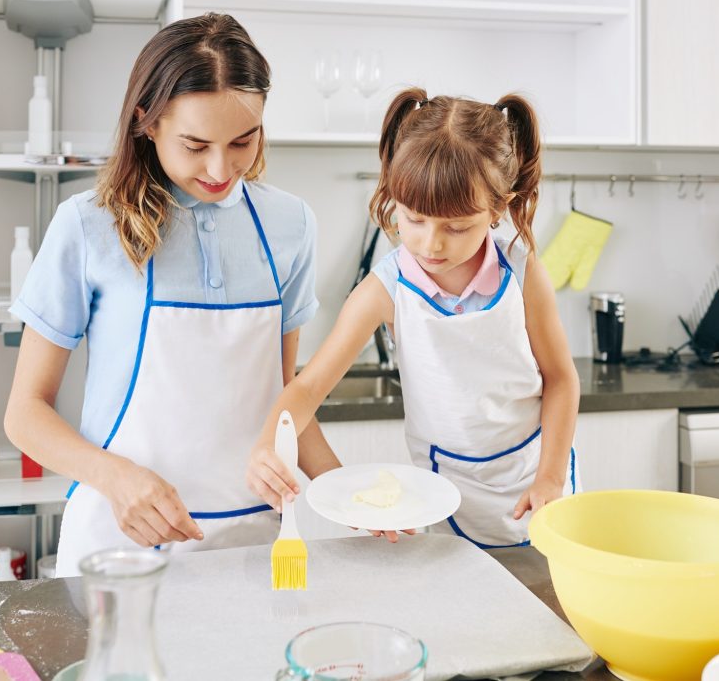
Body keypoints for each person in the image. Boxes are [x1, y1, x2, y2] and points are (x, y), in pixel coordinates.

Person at [3, 13, 337, 577]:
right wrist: (114, 476)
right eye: (196, 144)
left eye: (242, 141)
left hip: (257, 541)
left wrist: (348, 495)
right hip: (122, 541)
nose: (220, 167)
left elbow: (286, 402)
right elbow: (24, 414)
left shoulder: (290, 224)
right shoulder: (88, 226)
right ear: (147, 122)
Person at [247, 88, 581, 548]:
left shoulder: (523, 273)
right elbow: (306, 388)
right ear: (393, 199)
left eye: (457, 226)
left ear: (498, 208)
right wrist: (269, 444)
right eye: (414, 219)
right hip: (446, 497)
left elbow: (561, 379)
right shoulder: (383, 290)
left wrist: (550, 477)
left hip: (535, 482)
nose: (430, 244)